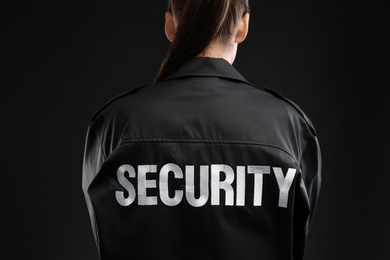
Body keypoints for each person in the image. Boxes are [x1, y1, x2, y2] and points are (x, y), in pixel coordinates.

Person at [82, 0, 321, 259]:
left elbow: (106, 237)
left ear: (170, 24)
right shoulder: (290, 128)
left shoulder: (115, 124)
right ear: (243, 26)